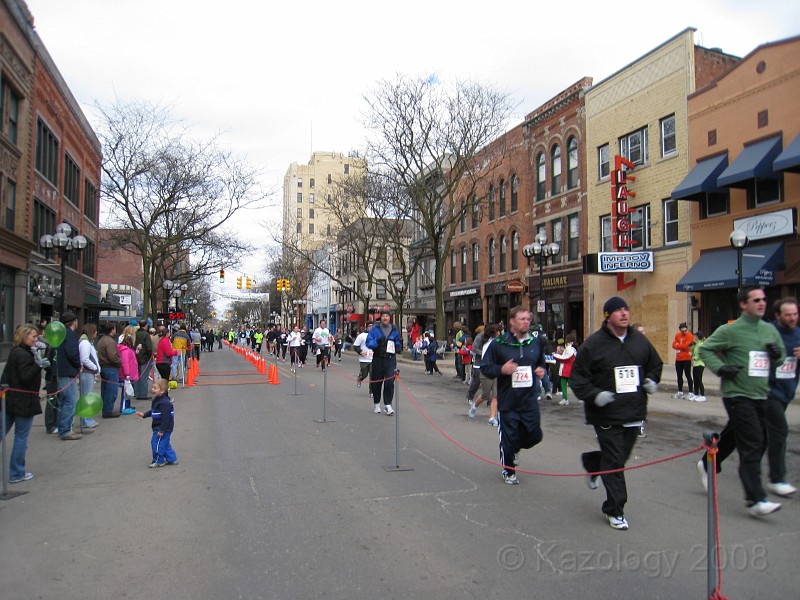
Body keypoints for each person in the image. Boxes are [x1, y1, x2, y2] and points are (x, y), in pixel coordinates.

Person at [570, 296, 663, 530]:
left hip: (634, 410)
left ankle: (593, 462)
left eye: (626, 309)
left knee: (620, 457)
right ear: (607, 316)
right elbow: (577, 378)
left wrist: (652, 379)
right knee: (615, 462)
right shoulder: (593, 344)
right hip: (606, 414)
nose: (624, 313)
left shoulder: (639, 341)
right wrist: (594, 395)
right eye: (618, 310)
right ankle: (615, 509)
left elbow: (655, 364)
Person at [696, 286, 785, 517]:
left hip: (761, 394)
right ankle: (755, 499)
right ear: (743, 304)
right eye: (756, 300)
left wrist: (777, 357)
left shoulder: (769, 330)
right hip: (737, 395)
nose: (762, 303)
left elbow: (780, 360)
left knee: (742, 436)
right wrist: (721, 368)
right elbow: (705, 351)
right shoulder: (730, 331)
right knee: (753, 442)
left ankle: (707, 462)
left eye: (764, 299)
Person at [481, 307, 548, 485]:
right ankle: (508, 470)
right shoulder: (499, 344)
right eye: (522, 319)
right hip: (508, 401)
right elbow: (485, 367)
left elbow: (541, 362)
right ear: (512, 322)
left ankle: (515, 448)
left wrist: (541, 370)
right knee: (508, 440)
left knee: (535, 435)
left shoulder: (536, 342)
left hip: (529, 400)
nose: (526, 322)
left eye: (528, 318)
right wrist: (502, 369)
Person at [0, 324, 46, 482]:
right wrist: (38, 365)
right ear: (23, 336)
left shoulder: (16, 352)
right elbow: (26, 377)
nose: (36, 339)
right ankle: (17, 472)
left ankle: (16, 471)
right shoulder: (23, 355)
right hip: (23, 401)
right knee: (21, 437)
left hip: (11, 399)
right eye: (33, 336)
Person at [764, 297, 800, 496]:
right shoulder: (768, 332)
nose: (793, 318)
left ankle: (709, 463)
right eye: (788, 315)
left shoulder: (799, 334)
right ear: (778, 316)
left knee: (758, 436)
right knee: (780, 431)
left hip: (787, 391)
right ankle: (777, 479)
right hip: (768, 391)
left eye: (795, 314)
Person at [365, 311, 403, 415]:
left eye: (387, 316)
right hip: (378, 358)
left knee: (390, 381)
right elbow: (368, 343)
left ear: (389, 318)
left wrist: (398, 346)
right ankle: (377, 404)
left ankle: (388, 404)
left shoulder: (394, 329)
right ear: (380, 318)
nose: (385, 318)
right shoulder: (374, 329)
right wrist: (377, 341)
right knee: (377, 382)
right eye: (383, 316)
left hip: (390, 359)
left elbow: (397, 341)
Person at [135, 379, 178, 467]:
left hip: (162, 428)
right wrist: (144, 415)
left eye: (155, 388)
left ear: (162, 391)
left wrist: (162, 430)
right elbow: (154, 411)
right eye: (152, 387)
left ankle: (158, 460)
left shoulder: (165, 403)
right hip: (159, 427)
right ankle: (171, 459)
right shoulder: (157, 400)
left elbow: (166, 418)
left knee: (156, 443)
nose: (152, 390)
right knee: (164, 443)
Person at [56, 312, 84, 441]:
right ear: (73, 322)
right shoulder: (70, 334)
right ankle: (66, 430)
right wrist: (78, 364)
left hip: (62, 370)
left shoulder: (61, 334)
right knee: (70, 401)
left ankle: (62, 427)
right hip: (68, 371)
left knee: (64, 400)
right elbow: (72, 352)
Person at [468, 325, 499, 424]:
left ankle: (492, 418)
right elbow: (483, 356)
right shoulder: (487, 343)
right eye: (498, 331)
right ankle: (474, 406)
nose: (500, 333)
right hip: (486, 371)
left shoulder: (499, 342)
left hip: (496, 371)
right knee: (485, 395)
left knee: (495, 395)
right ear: (494, 332)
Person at [78, 323, 101, 428]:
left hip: (88, 373)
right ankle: (86, 420)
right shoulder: (85, 343)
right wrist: (94, 367)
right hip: (87, 373)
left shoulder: (86, 343)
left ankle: (87, 419)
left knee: (87, 396)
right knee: (87, 397)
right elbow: (85, 359)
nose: (96, 333)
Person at [97, 323, 122, 418]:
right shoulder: (110, 342)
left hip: (103, 366)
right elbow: (113, 356)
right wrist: (119, 362)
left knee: (105, 390)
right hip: (110, 367)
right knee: (111, 391)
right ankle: (108, 410)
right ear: (112, 330)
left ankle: (106, 408)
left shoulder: (101, 340)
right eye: (115, 329)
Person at [118, 326, 139, 415]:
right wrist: (127, 374)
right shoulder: (126, 350)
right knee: (125, 392)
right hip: (127, 374)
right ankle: (124, 407)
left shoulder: (127, 350)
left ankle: (127, 406)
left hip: (129, 373)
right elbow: (125, 362)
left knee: (128, 391)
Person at [552, 333, 577, 406]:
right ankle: (565, 398)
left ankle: (566, 399)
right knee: (565, 383)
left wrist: (555, 355)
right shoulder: (571, 348)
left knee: (570, 384)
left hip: (567, 369)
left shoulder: (570, 349)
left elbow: (565, 358)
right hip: (567, 369)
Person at [133, 320, 154, 405]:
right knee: (144, 376)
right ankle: (143, 394)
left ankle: (136, 393)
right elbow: (149, 347)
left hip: (136, 357)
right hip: (145, 358)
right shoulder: (146, 335)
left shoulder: (136, 334)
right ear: (146, 326)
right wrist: (151, 354)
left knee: (137, 376)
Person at [672, 322, 694, 400]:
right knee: (679, 376)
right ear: (680, 331)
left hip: (686, 358)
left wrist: (679, 346)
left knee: (688, 375)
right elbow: (673, 345)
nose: (684, 332)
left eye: (685, 331)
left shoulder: (690, 336)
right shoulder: (677, 335)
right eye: (682, 331)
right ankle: (680, 391)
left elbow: (686, 346)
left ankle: (691, 392)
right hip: (678, 359)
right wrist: (680, 346)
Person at [690, 331, 707, 402]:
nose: (694, 337)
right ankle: (696, 394)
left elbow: (701, 355)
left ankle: (703, 395)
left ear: (698, 337)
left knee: (699, 379)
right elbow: (691, 349)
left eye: (695, 336)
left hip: (700, 364)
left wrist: (694, 358)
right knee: (695, 379)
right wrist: (693, 344)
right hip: (695, 364)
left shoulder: (701, 345)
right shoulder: (697, 344)